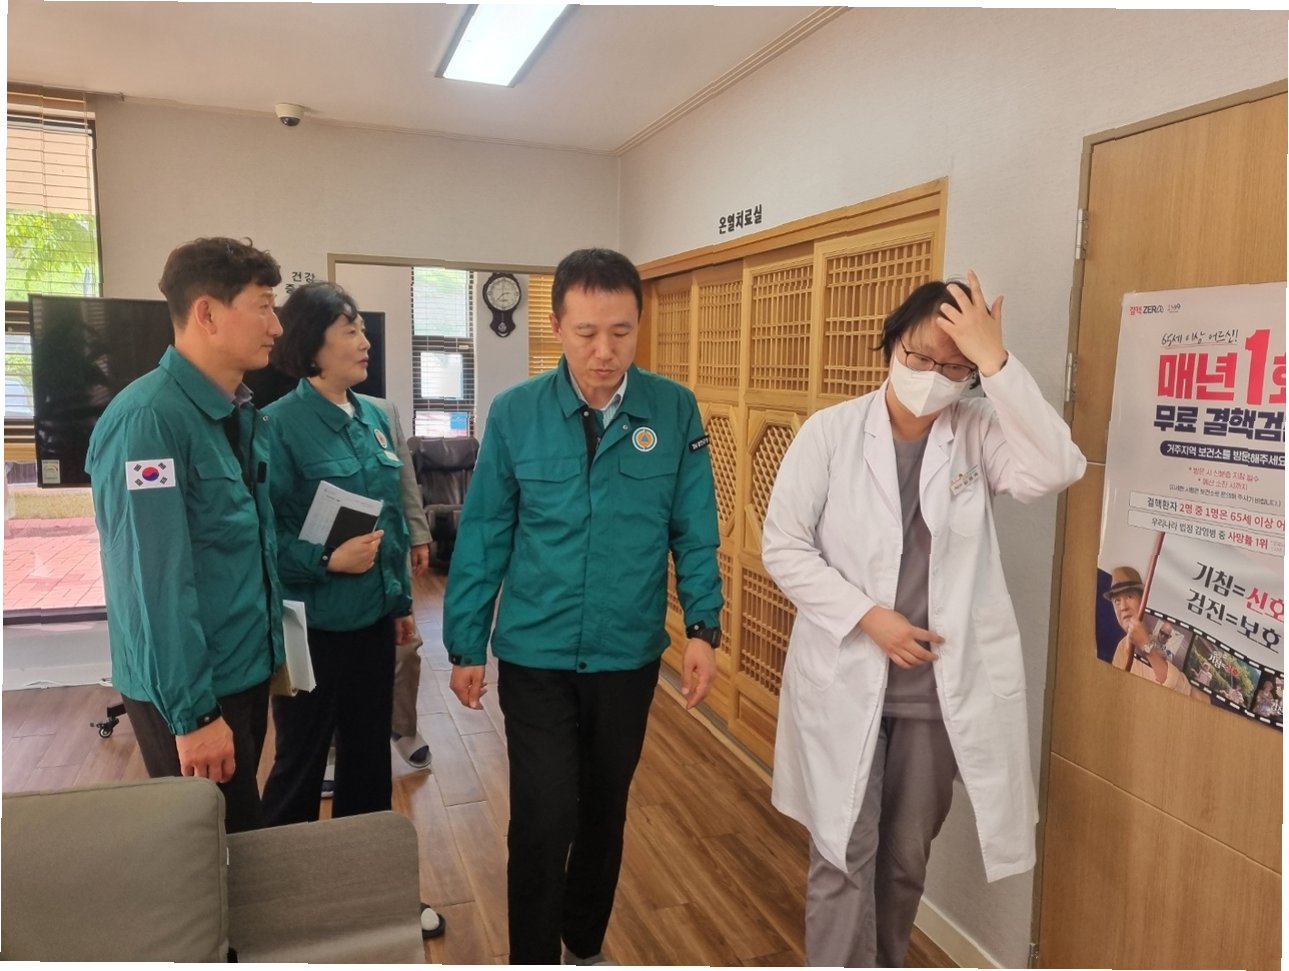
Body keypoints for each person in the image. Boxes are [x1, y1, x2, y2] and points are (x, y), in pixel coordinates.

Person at [761, 272, 1086, 968]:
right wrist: (867, 617)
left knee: (905, 861)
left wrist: (996, 361)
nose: (933, 376)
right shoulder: (830, 433)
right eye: (918, 356)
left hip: (935, 693)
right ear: (891, 344)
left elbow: (1057, 467)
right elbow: (782, 546)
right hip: (846, 672)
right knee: (842, 856)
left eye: (955, 368)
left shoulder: (977, 431)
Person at [442, 247, 723, 965]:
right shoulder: (516, 413)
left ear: (639, 325)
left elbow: (694, 528)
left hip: (626, 652)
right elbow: (484, 531)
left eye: (621, 332)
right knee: (543, 817)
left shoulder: (673, 409)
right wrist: (466, 642)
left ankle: (585, 944)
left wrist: (702, 626)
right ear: (557, 326)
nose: (605, 351)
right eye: (587, 332)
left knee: (604, 810)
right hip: (535, 652)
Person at [257, 281, 444, 937]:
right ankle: (274, 907)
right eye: (350, 330)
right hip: (305, 628)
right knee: (300, 765)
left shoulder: (372, 416)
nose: (365, 341)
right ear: (313, 345)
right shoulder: (276, 426)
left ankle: (371, 896)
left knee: (368, 762)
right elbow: (263, 538)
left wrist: (398, 605)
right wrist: (325, 560)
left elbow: (387, 522)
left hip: (369, 621)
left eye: (363, 328)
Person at [86, 236, 285, 834]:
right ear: (207, 313)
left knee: (239, 842)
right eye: (263, 307)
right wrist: (194, 715)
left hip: (239, 671)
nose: (276, 326)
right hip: (194, 692)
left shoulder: (236, 412)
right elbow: (152, 584)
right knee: (208, 854)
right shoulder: (147, 420)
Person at [1105, 567, 1192, 695]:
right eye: (1117, 601)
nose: (1123, 607)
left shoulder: (1169, 645)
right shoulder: (1122, 647)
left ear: (1143, 600)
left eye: (1129, 596)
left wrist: (1146, 645)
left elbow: (1184, 691)